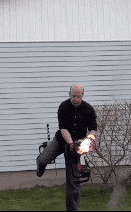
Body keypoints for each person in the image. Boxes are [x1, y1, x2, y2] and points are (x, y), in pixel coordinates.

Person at [36, 83, 97, 211]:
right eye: (73, 96)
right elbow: (63, 128)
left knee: (74, 182)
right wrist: (70, 143)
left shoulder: (89, 109)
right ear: (69, 94)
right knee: (43, 159)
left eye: (78, 96)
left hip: (78, 145)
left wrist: (87, 140)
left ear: (83, 96)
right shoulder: (63, 107)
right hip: (61, 140)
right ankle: (40, 165)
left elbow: (93, 130)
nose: (76, 99)